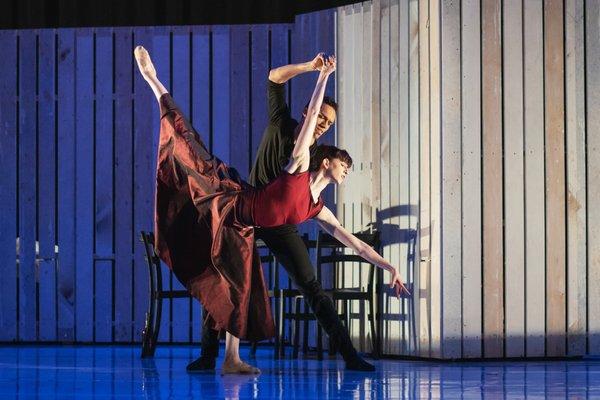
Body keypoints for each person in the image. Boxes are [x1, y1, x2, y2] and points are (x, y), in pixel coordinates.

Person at [134, 46, 409, 375]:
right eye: (319, 116)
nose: (322, 125)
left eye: (328, 123)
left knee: (294, 283)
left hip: (275, 220)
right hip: (239, 204)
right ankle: (155, 82)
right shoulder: (292, 138)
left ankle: (344, 355)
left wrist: (389, 267)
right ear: (309, 111)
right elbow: (275, 81)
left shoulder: (315, 179)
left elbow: (353, 241)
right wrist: (316, 71)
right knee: (190, 148)